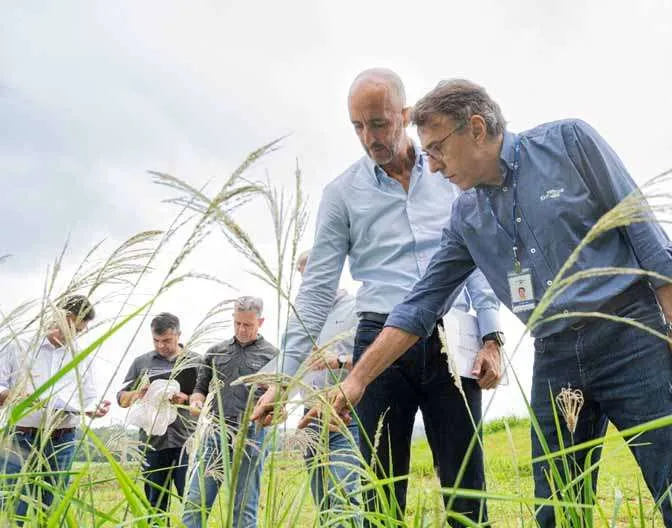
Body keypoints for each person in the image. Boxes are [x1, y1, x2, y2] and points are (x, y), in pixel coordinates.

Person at [306, 79, 672, 528]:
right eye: (426, 152)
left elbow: (642, 228)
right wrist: (357, 381)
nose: (433, 164)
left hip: (630, 337)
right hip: (556, 356)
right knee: (557, 512)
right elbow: (420, 305)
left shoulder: (570, 143)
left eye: (439, 148)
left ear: (477, 129)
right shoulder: (466, 215)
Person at [252, 69, 504, 527]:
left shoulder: (450, 171)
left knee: (468, 490)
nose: (370, 137)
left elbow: (478, 260)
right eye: (358, 126)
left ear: (405, 116)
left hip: (452, 340)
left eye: (380, 123)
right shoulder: (342, 195)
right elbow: (316, 291)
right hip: (378, 345)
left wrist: (492, 335)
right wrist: (284, 376)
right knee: (381, 494)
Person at [0, 295, 111, 522]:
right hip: (20, 437)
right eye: (73, 328)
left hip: (62, 440)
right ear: (61, 318)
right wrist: (12, 396)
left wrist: (94, 407)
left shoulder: (81, 355)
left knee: (53, 510)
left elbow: (88, 396)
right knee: (12, 506)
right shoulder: (18, 344)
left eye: (80, 331)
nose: (75, 335)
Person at [182, 296, 278, 528]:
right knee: (196, 501)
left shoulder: (274, 356)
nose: (242, 329)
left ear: (261, 322)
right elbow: (199, 389)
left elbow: (279, 400)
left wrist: (276, 411)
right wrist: (196, 402)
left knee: (244, 508)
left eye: (248, 324)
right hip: (215, 432)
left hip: (252, 435)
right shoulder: (216, 352)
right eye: (237, 323)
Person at [290, 249, 361, 525]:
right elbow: (294, 364)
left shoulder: (356, 307)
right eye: (304, 277)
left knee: (344, 495)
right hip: (310, 416)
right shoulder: (302, 317)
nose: (310, 282)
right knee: (323, 501)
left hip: (345, 414)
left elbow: (377, 359)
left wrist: (339, 360)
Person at [117, 312, 202, 519]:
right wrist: (138, 394)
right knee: (155, 507)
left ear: (179, 335)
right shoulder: (141, 363)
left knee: (191, 503)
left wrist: (185, 398)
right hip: (152, 443)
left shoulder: (198, 362)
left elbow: (210, 401)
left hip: (186, 442)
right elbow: (121, 398)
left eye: (167, 341)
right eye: (156, 341)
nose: (161, 346)